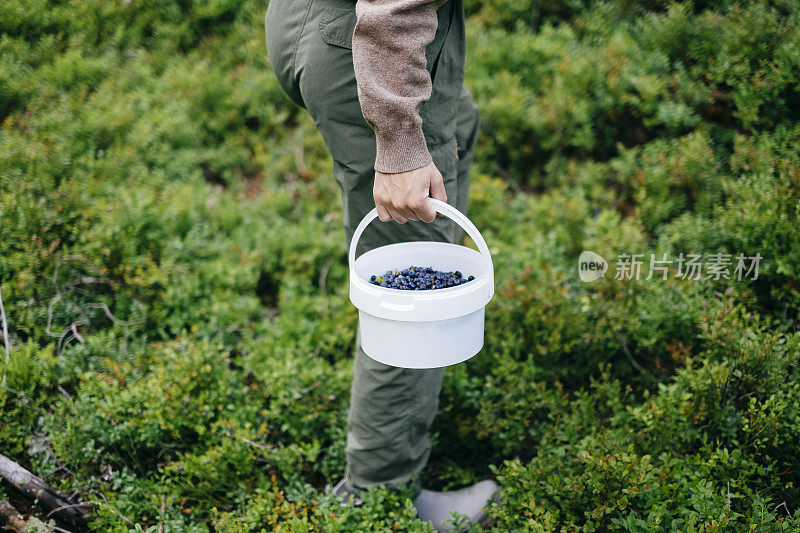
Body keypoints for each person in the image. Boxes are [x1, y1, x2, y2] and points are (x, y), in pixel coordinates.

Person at [265, 0, 499, 529]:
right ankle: (379, 499)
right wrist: (400, 142)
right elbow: (394, 9)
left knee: (458, 121)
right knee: (412, 298)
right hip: (367, 36)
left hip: (319, 17)